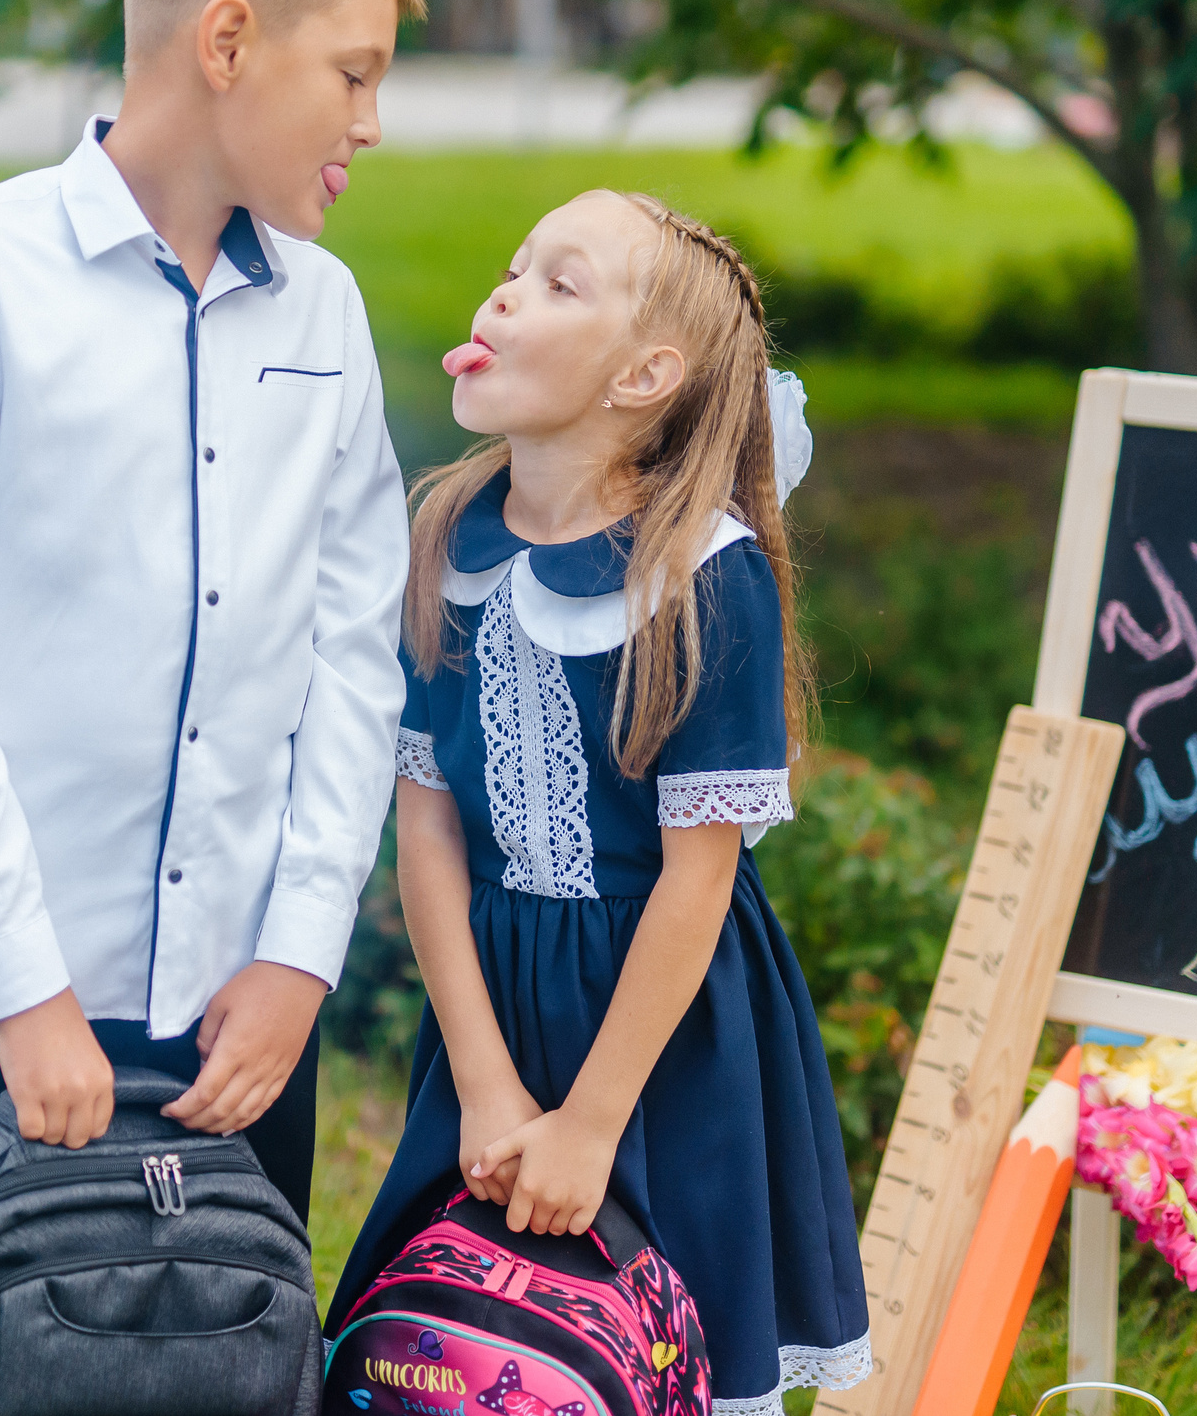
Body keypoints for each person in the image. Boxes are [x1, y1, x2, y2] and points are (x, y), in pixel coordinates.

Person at [0, 0, 423, 1212]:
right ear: (228, 40)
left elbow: (353, 652)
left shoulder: (325, 313)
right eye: (353, 74)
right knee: (20, 1342)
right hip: (17, 986)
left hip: (244, 1002)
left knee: (233, 1341)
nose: (372, 122)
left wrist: (300, 956)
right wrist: (22, 987)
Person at [324, 192, 873, 1413]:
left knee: (663, 1340)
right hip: (495, 1006)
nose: (503, 294)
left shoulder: (704, 574)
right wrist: (484, 1079)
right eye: (512, 267)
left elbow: (699, 873)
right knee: (463, 1335)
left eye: (559, 282)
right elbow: (426, 826)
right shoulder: (445, 535)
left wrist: (589, 1120)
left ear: (645, 374)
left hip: (663, 1036)